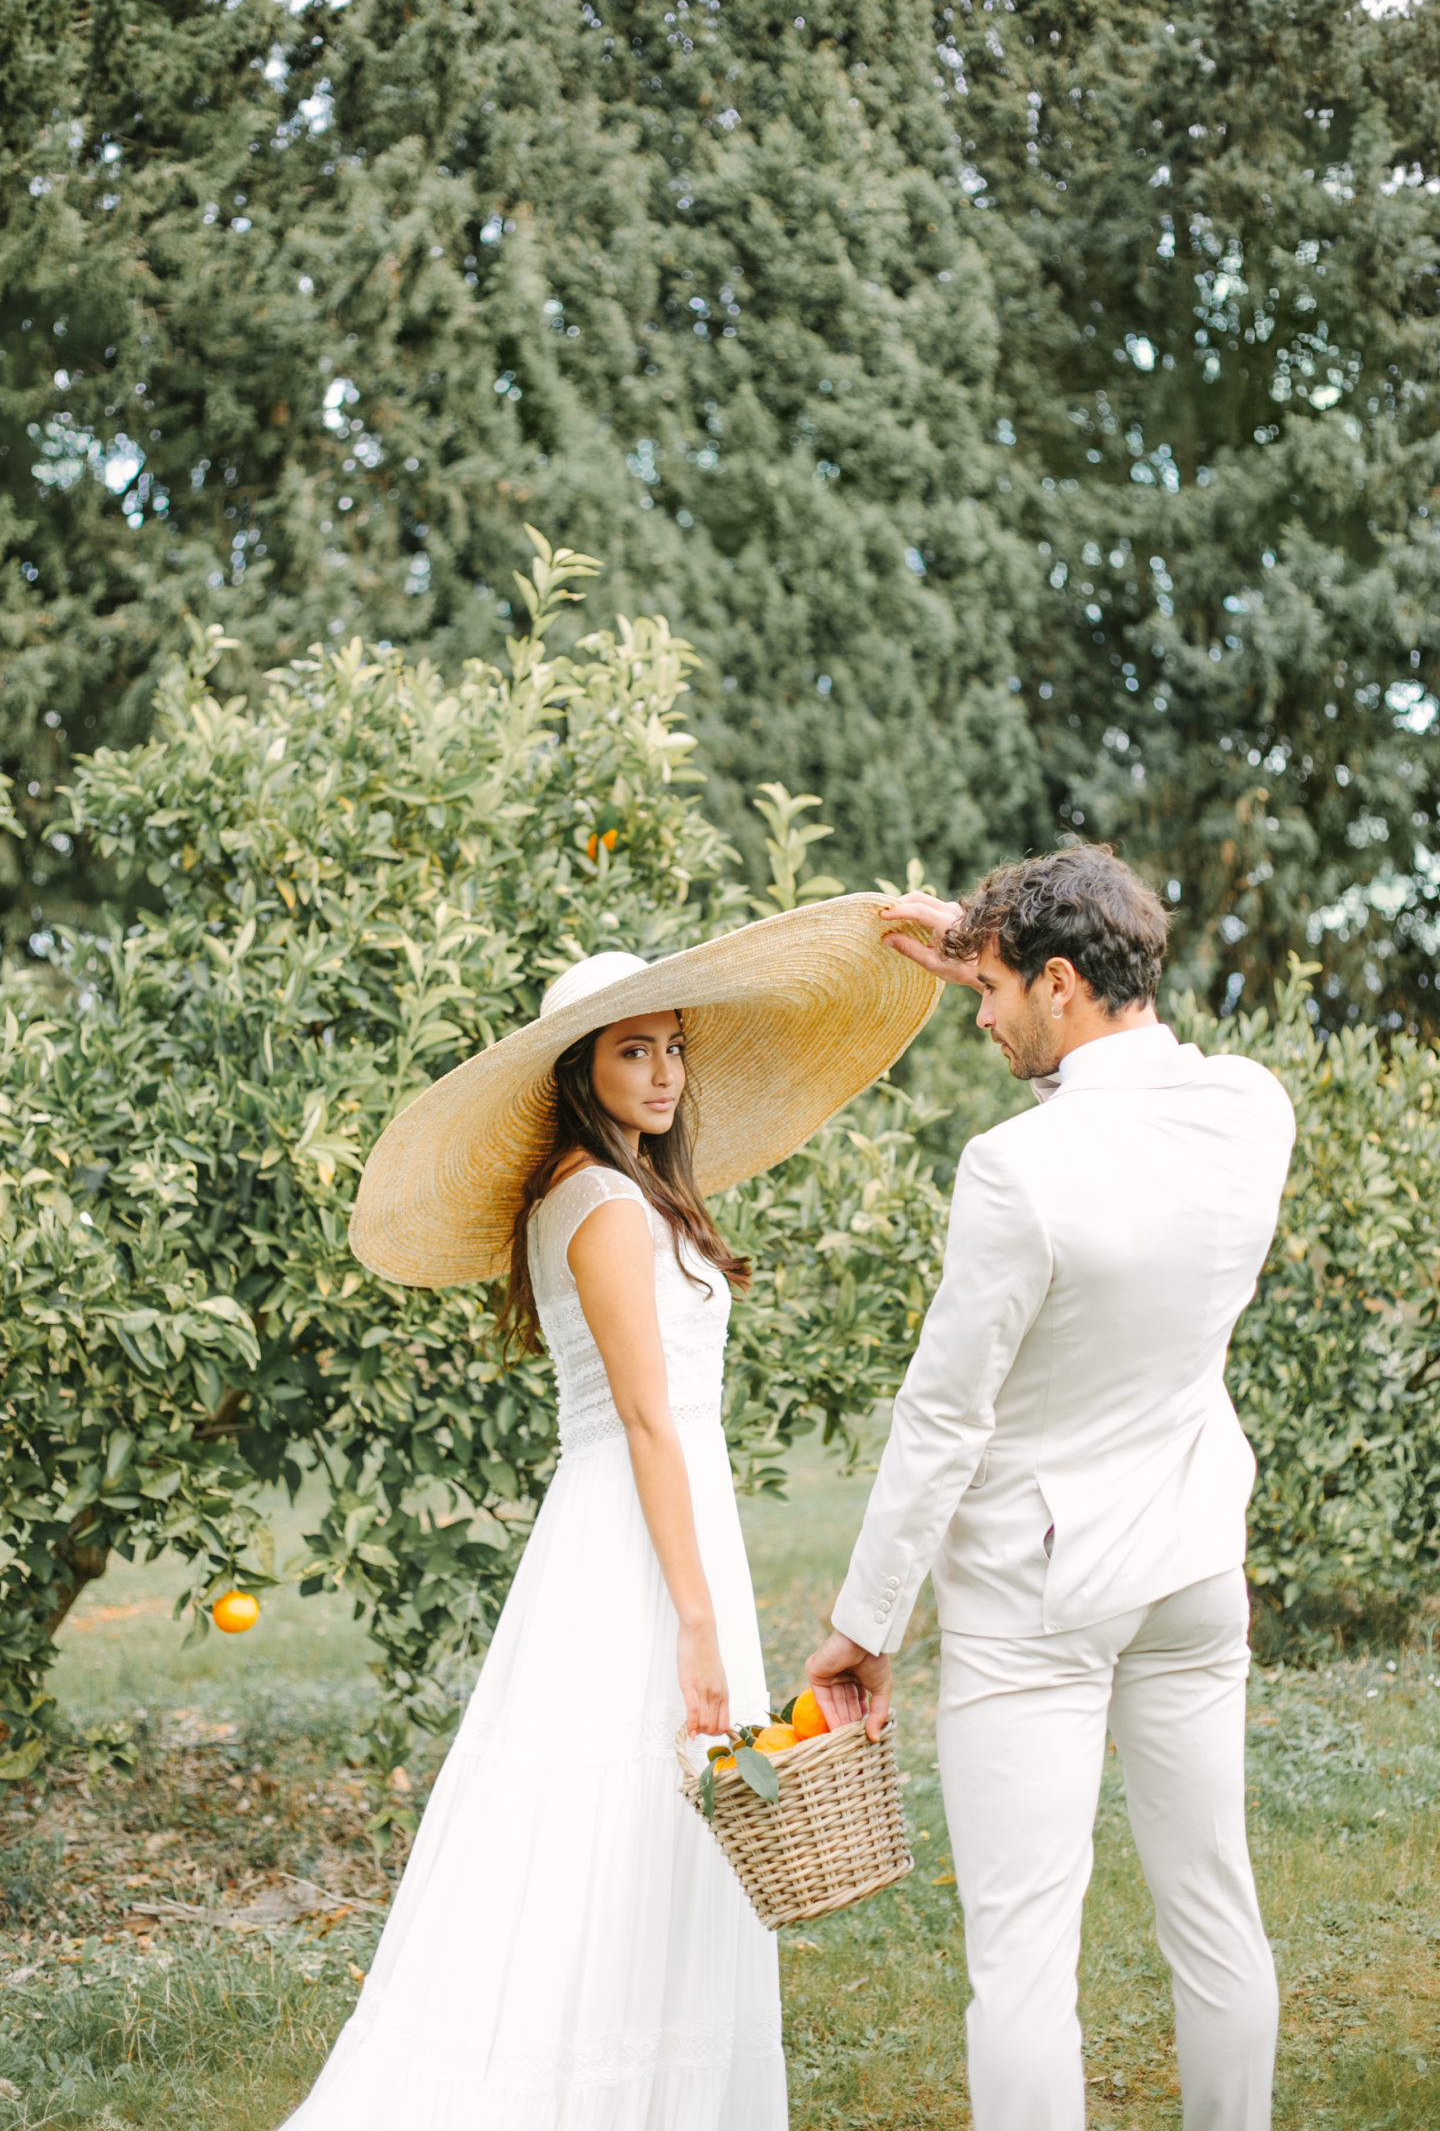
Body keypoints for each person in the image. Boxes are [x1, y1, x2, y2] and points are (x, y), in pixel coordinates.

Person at [281, 897, 941, 2131]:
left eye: (673, 1045)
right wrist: (695, 1619)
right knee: (604, 1815)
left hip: (669, 1517)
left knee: (659, 1825)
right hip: (635, 1537)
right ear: (580, 1071)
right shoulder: (601, 1204)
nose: (664, 1071)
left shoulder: (605, 1194)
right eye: (632, 1050)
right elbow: (646, 1420)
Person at [806, 845, 1296, 2131]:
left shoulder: (1018, 1170)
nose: (978, 1012)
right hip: (1193, 1571)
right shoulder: (1253, 1107)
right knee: (1214, 1904)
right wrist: (981, 937)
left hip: (1041, 1601)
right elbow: (1094, 1045)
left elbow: (943, 1418)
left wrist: (866, 1625)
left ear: (1063, 983)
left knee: (1021, 1955)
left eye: (993, 990)